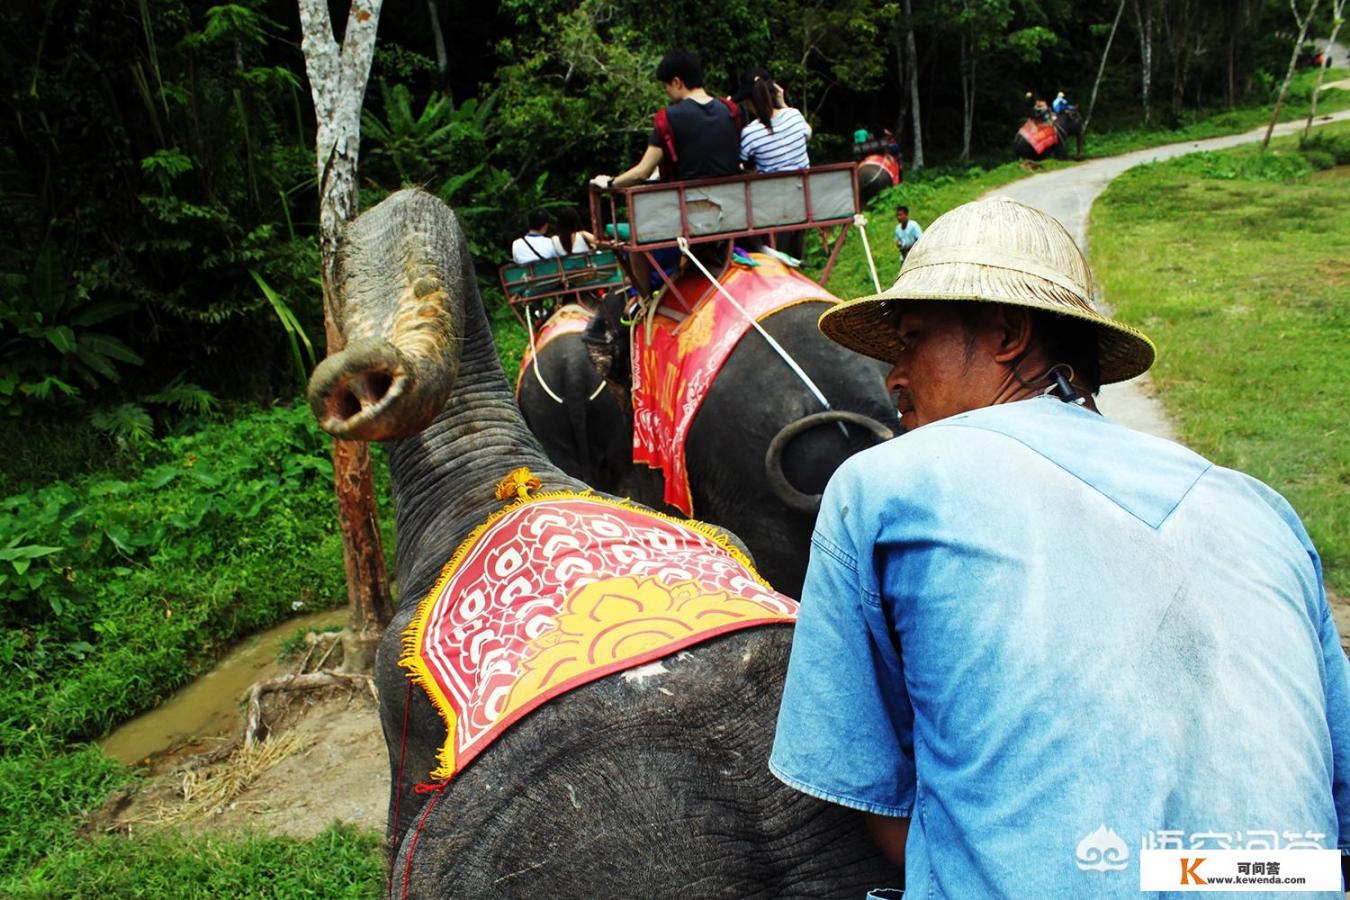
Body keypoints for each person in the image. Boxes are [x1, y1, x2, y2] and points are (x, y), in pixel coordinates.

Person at [772, 197, 1350, 897]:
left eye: (913, 338)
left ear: (1010, 333)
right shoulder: (1261, 509)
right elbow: (1332, 811)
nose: (893, 377)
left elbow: (868, 799)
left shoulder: (885, 485)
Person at [589, 50, 741, 190]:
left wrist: (610, 182)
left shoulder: (668, 118)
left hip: (690, 208)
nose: (666, 92)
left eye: (666, 86)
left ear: (676, 82)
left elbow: (642, 172)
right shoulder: (729, 110)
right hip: (734, 203)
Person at [738, 74, 811, 173]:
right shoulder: (794, 114)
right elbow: (808, 134)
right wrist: (783, 104)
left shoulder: (750, 133)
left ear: (748, 102)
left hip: (772, 187)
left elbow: (747, 166)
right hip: (804, 185)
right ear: (775, 93)